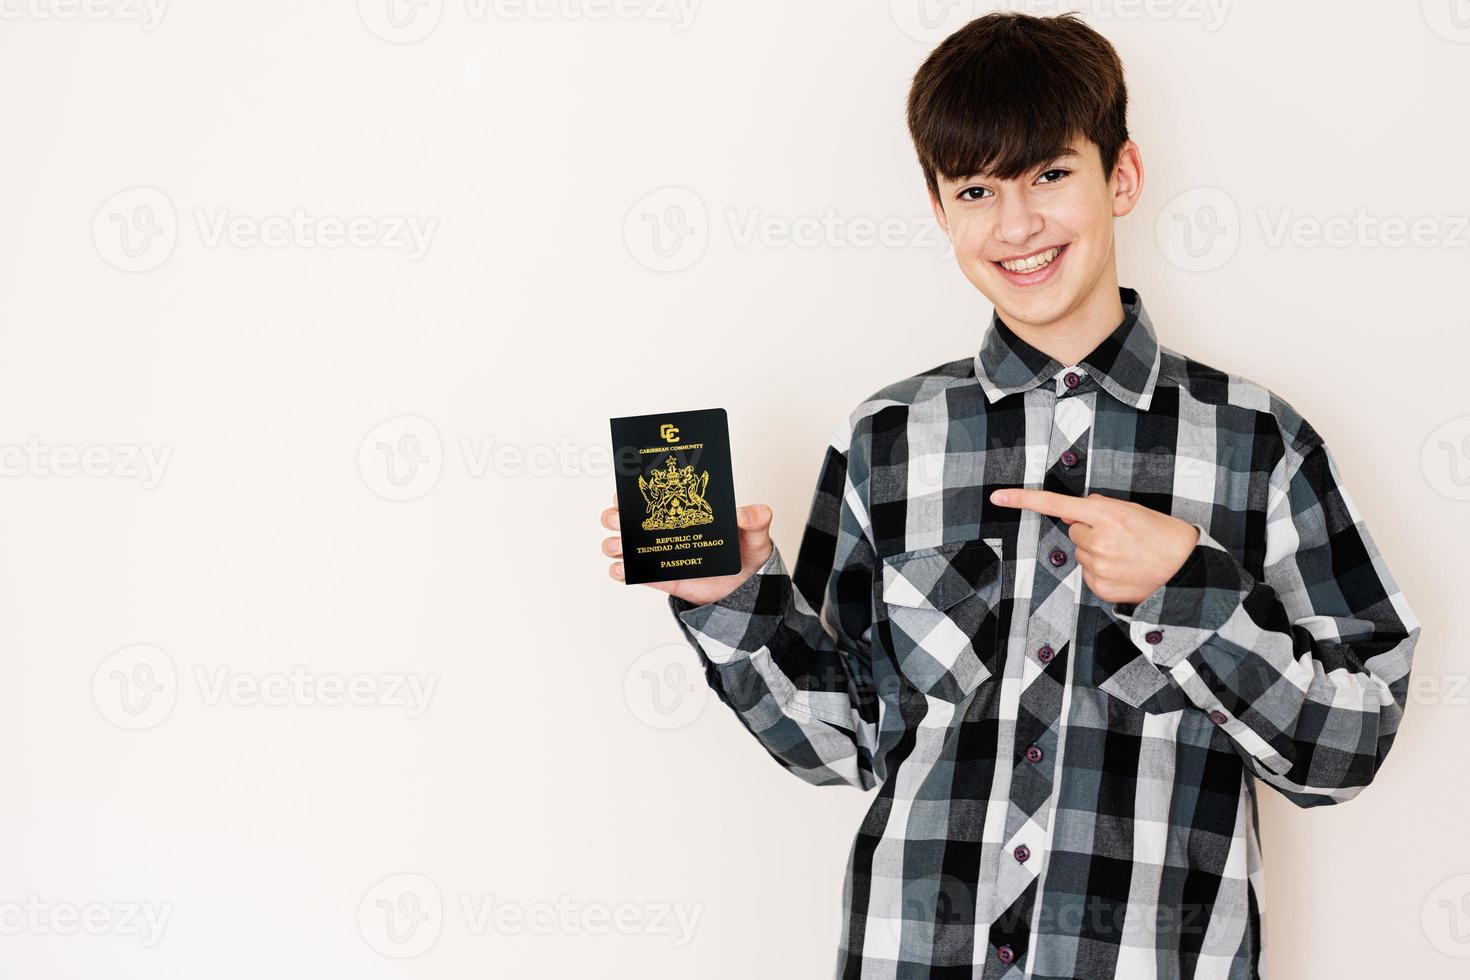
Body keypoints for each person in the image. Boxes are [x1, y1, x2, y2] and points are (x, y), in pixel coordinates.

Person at [599, 11, 1420, 978]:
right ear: (940, 210)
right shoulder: (885, 440)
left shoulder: (1258, 442)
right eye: (977, 188)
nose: (1016, 224)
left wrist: (1187, 590)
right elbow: (843, 742)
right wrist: (732, 601)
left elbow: (1349, 747)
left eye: (1049, 175)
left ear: (1122, 177)